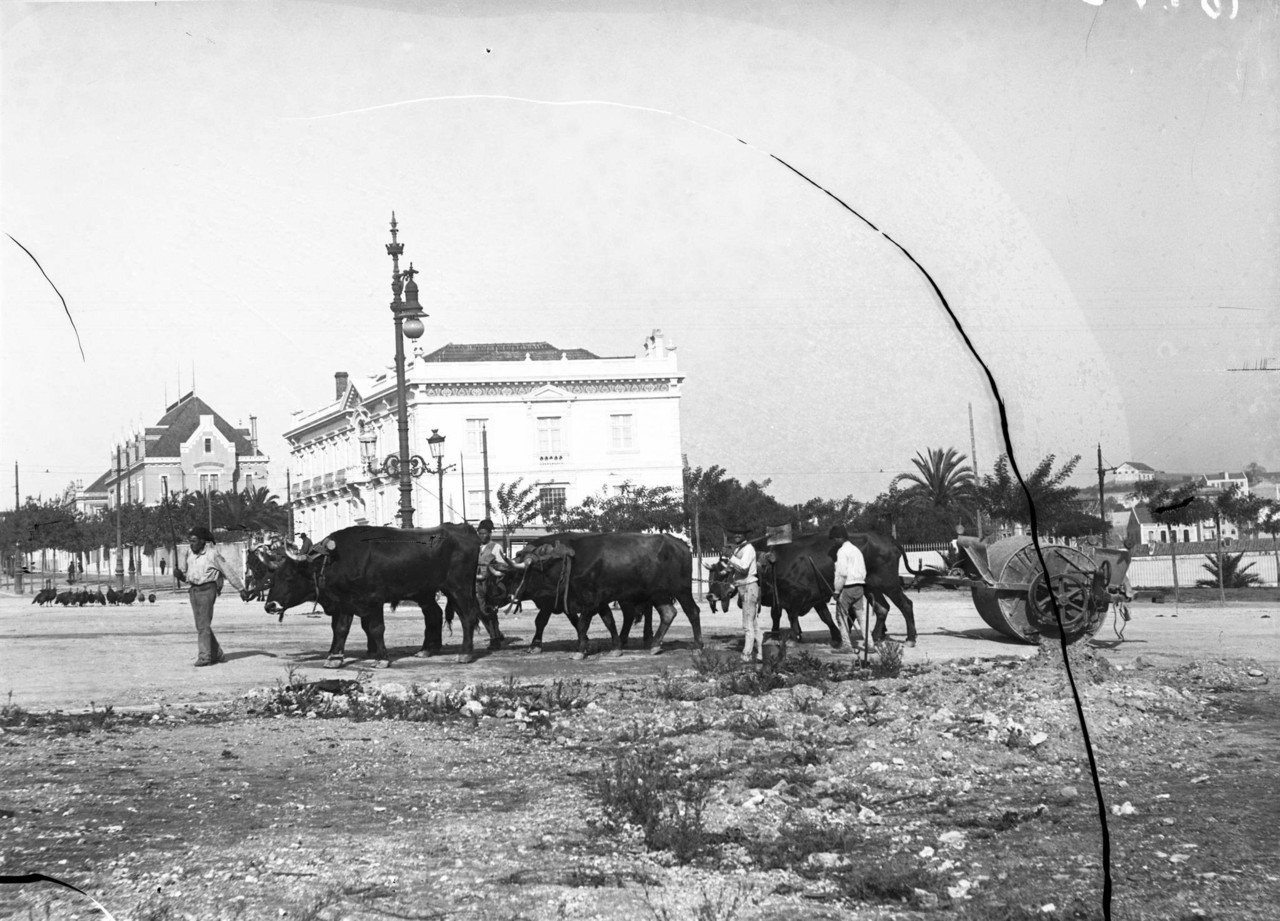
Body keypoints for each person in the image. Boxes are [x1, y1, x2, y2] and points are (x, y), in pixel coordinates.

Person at [174, 526, 247, 667]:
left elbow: (228, 571)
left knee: (203, 625)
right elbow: (187, 576)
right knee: (201, 625)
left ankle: (205, 657)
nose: (191, 544)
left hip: (208, 590)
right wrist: (180, 576)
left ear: (202, 541)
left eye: (194, 541)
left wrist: (240, 589)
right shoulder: (189, 553)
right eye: (190, 541)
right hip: (193, 591)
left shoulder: (213, 554)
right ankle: (217, 653)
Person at [830, 525, 869, 652]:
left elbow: (842, 573)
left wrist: (836, 591)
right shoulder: (856, 550)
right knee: (861, 617)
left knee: (841, 616)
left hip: (847, 587)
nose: (834, 542)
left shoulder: (842, 551)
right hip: (860, 586)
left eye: (835, 539)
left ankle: (846, 645)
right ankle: (870, 644)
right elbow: (863, 570)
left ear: (840, 538)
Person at [726, 526, 760, 662]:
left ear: (746, 535)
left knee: (747, 625)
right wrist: (725, 570)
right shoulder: (738, 549)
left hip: (749, 587)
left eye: (740, 533)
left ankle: (746, 655)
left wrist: (731, 557)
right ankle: (762, 653)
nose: (737, 535)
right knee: (754, 624)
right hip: (742, 587)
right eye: (735, 533)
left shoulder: (749, 549)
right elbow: (734, 569)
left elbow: (744, 567)